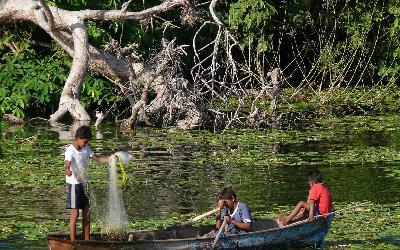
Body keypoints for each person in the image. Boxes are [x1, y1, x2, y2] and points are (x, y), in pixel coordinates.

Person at [65, 125, 114, 241]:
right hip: (74, 185)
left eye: (87, 142)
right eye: (84, 141)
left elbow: (97, 159)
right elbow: (67, 163)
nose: (85, 144)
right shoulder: (70, 150)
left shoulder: (86, 149)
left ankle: (87, 240)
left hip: (85, 184)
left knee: (87, 214)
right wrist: (67, 170)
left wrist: (110, 158)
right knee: (75, 214)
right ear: (77, 138)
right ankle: (73, 242)